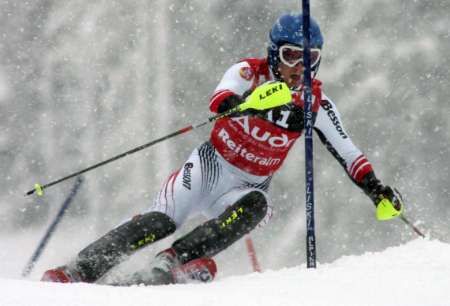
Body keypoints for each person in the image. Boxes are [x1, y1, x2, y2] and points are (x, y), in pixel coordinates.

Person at [41, 13, 403, 285]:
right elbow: (219, 100)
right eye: (292, 56)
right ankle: (77, 271)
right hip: (209, 167)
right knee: (160, 220)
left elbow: (351, 155)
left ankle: (171, 263)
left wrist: (377, 191)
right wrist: (251, 102)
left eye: (309, 59)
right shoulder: (249, 72)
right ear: (275, 54)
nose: (299, 68)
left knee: (259, 207)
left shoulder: (317, 106)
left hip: (246, 187)